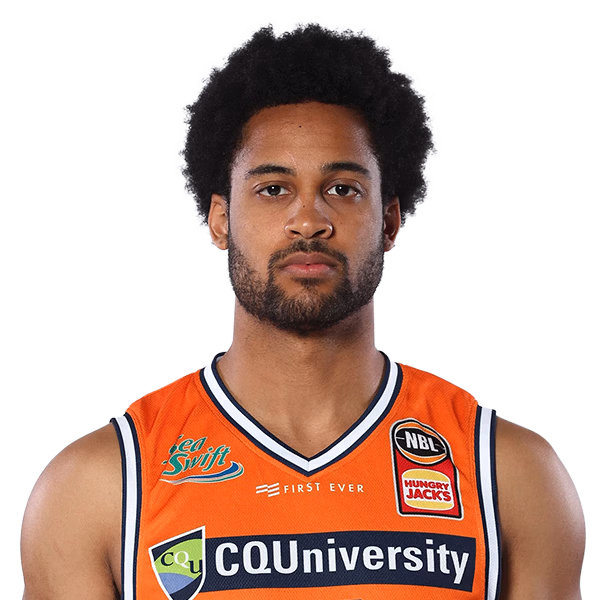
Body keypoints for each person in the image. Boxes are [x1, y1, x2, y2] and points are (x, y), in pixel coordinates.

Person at [20, 22, 585, 600]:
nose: (309, 220)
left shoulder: (508, 476)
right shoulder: (99, 489)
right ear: (220, 220)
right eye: (273, 189)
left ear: (389, 221)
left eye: (342, 188)